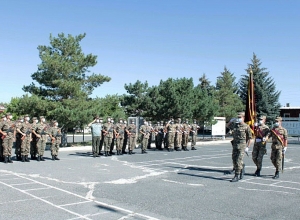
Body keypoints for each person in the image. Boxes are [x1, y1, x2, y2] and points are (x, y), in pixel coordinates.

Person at [227, 113, 252, 182]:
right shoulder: (235, 125)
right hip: (235, 144)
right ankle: (242, 167)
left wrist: (248, 147)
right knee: (234, 159)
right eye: (237, 117)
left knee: (238, 160)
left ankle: (236, 175)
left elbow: (250, 138)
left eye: (240, 117)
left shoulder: (246, 126)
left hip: (242, 145)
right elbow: (228, 126)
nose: (238, 118)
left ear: (243, 117)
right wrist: (231, 121)